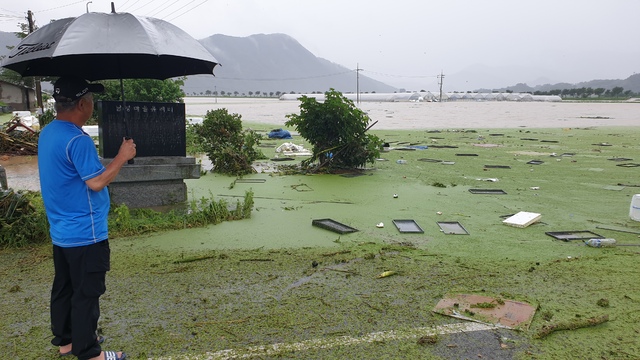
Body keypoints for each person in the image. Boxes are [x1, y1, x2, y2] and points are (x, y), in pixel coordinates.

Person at [38, 77, 136, 360]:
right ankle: (89, 352)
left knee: (65, 288)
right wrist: (121, 156)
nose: (92, 104)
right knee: (87, 293)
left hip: (61, 231)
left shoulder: (48, 133)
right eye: (91, 99)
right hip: (86, 232)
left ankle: (67, 341)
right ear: (82, 104)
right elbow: (96, 183)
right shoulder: (77, 140)